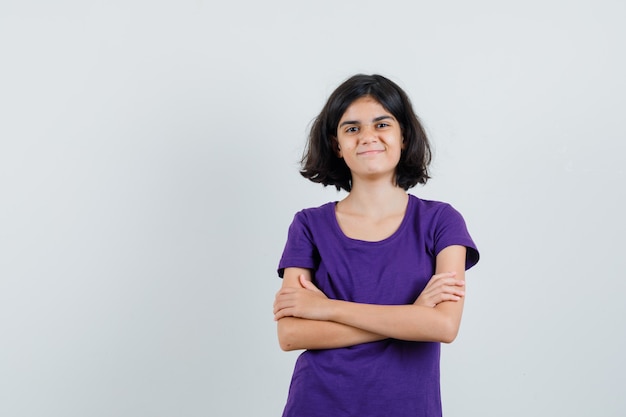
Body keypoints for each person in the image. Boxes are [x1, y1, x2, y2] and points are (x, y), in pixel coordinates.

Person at [273, 74, 480, 417]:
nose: (368, 136)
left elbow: (443, 326)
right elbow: (291, 335)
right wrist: (412, 316)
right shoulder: (308, 225)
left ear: (403, 135)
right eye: (351, 128)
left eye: (381, 124)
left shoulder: (442, 222)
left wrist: (328, 309)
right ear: (337, 144)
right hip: (317, 403)